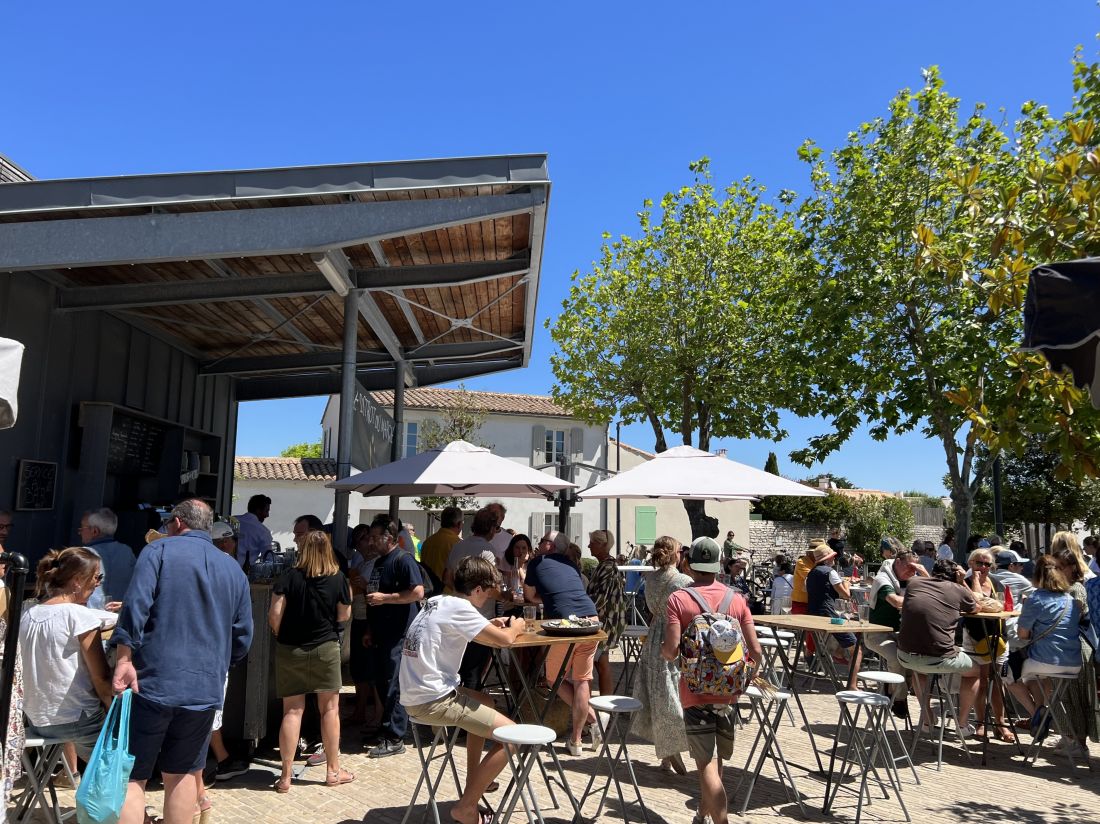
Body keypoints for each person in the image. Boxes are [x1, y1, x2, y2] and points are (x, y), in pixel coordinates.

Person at [110, 499, 253, 824]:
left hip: (151, 682)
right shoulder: (233, 568)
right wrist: (217, 666)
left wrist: (124, 658)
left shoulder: (157, 553)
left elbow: (135, 608)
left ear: (176, 523)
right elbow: (243, 636)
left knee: (132, 777)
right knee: (184, 774)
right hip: (203, 688)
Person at [400, 556, 525, 824]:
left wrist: (492, 624)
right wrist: (516, 627)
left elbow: (467, 629)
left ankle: (475, 780)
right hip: (434, 700)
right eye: (489, 590)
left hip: (417, 695)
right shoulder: (462, 609)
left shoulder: (438, 601)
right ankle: (466, 807)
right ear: (478, 589)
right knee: (513, 738)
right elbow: (504, 641)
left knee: (486, 702)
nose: (489, 596)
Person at [662, 537, 761, 824]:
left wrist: (665, 653)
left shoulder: (678, 599)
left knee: (704, 764)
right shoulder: (737, 600)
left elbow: (670, 651)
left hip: (695, 692)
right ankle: (703, 813)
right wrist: (744, 678)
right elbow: (755, 651)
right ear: (719, 564)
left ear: (690, 565)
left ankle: (721, 820)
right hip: (729, 693)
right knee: (717, 760)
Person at [268, 530, 353, 792]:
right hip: (325, 648)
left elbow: (274, 614)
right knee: (330, 710)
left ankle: (285, 776)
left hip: (290, 649)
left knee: (292, 711)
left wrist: (280, 634)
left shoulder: (288, 577)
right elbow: (344, 616)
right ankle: (333, 771)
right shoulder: (338, 578)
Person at [20, 548, 114, 778]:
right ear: (77, 581)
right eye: (96, 577)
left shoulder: (29, 613)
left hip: (36, 719)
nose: (98, 584)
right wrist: (114, 711)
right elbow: (101, 678)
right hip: (76, 719)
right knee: (119, 759)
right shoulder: (79, 616)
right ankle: (131, 812)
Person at [524, 530, 600, 756]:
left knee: (552, 679)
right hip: (591, 620)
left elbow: (529, 596)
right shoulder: (572, 565)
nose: (539, 543)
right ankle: (577, 740)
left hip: (564, 624)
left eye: (543, 540)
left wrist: (546, 599)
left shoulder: (537, 562)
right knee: (582, 680)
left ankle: (593, 719)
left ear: (553, 546)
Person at [1005, 555, 1085, 757]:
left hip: (1044, 661)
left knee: (1006, 672)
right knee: (1035, 677)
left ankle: (1036, 715)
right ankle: (1040, 712)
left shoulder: (1035, 598)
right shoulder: (1070, 599)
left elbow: (1022, 634)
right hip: (1073, 663)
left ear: (1037, 576)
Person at [364, 514, 424, 758]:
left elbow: (417, 592)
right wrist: (370, 629)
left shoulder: (403, 560)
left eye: (375, 537)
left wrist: (386, 599)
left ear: (388, 538)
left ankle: (395, 736)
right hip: (381, 632)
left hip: (398, 633)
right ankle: (386, 727)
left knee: (394, 685)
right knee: (382, 682)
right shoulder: (380, 562)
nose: (370, 542)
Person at [897, 559, 980, 733]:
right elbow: (975, 607)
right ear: (956, 574)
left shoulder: (914, 583)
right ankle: (962, 724)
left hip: (905, 656)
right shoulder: (958, 590)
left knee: (919, 670)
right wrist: (963, 581)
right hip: (939, 658)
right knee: (976, 672)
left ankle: (927, 719)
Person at [632, 536, 691, 774]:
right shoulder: (683, 581)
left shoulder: (651, 578)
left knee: (658, 693)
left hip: (654, 635)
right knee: (673, 692)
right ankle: (671, 747)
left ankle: (666, 751)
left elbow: (651, 608)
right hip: (673, 634)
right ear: (675, 553)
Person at [958, 546, 1014, 741]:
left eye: (987, 564)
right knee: (981, 681)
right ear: (970, 563)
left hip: (998, 637)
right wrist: (973, 580)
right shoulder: (962, 583)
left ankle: (1001, 724)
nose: (982, 567)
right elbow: (976, 603)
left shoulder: (997, 584)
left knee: (999, 681)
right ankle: (981, 722)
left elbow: (1008, 605)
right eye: (978, 563)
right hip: (975, 637)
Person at [866, 546, 927, 716]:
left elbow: (936, 591)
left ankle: (891, 687)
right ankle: (899, 699)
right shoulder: (882, 578)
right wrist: (920, 597)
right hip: (878, 633)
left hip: (904, 633)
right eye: (908, 567)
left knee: (917, 659)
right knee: (897, 659)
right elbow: (895, 601)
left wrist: (923, 573)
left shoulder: (913, 578)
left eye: (914, 568)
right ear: (897, 562)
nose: (910, 571)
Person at [444, 508, 501, 691]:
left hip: (456, 614)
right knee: (473, 672)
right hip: (480, 618)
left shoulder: (458, 545)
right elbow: (492, 588)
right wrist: (505, 595)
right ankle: (469, 713)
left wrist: (461, 594)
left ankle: (457, 710)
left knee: (459, 668)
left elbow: (447, 577)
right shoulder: (488, 550)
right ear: (492, 528)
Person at [1051, 540, 1097, 756]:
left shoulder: (1076, 588)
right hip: (1066, 647)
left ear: (1071, 567)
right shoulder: (1062, 589)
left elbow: (1074, 617)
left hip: (1076, 647)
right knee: (1064, 696)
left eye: (1060, 567)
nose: (1056, 571)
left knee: (1075, 697)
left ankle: (1078, 743)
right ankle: (1072, 739)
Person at [806, 543, 863, 689]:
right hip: (829, 615)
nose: (834, 559)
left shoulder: (811, 573)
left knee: (837, 644)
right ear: (828, 559)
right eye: (832, 557)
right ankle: (852, 685)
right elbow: (845, 595)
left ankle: (839, 654)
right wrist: (847, 583)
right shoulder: (830, 572)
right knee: (857, 649)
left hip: (813, 615)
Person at [586, 529, 626, 698]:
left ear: (602, 545)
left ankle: (597, 708)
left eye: (592, 542)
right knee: (601, 664)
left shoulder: (607, 568)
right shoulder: (605, 565)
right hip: (606, 621)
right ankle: (605, 708)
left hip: (604, 623)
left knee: (589, 665)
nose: (589, 545)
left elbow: (599, 600)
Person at [77, 507, 136, 606]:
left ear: (95, 531)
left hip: (89, 615)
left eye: (82, 528)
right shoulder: (127, 551)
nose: (79, 532)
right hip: (118, 613)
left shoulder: (84, 554)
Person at [420, 506, 463, 584]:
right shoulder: (459, 544)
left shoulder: (427, 542)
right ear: (459, 524)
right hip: (447, 592)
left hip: (429, 590)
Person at [234, 494, 273, 568]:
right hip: (244, 574)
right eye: (266, 511)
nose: (267, 515)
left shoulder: (231, 521)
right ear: (258, 510)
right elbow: (268, 558)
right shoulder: (263, 531)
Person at [499, 533, 533, 610]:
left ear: (528, 550)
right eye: (517, 548)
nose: (520, 551)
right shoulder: (505, 561)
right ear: (512, 549)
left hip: (528, 603)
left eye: (524, 548)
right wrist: (518, 564)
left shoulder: (532, 563)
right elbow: (512, 586)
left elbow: (527, 585)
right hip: (511, 603)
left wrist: (520, 566)